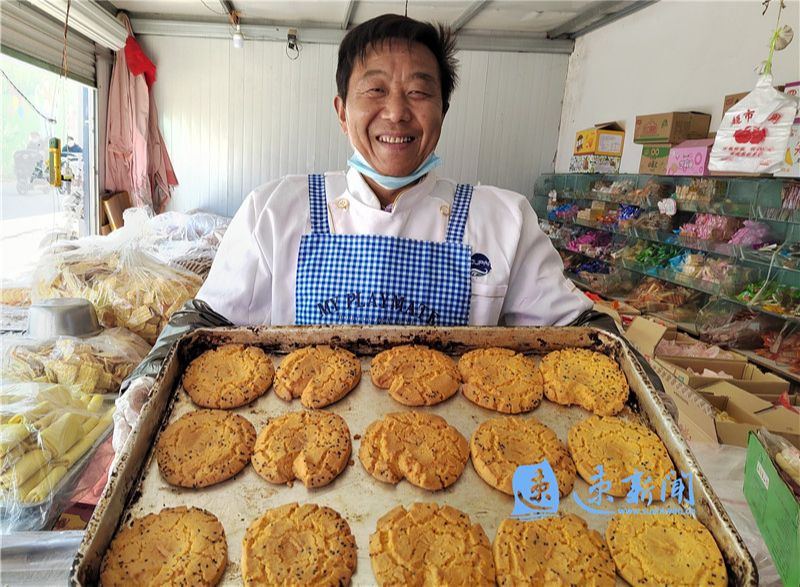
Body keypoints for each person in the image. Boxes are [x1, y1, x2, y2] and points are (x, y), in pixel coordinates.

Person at [196, 14, 591, 328]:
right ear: (341, 112)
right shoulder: (272, 212)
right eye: (375, 90)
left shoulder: (505, 220)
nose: (397, 112)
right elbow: (206, 324)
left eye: (419, 92)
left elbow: (579, 328)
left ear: (443, 112)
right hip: (304, 428)